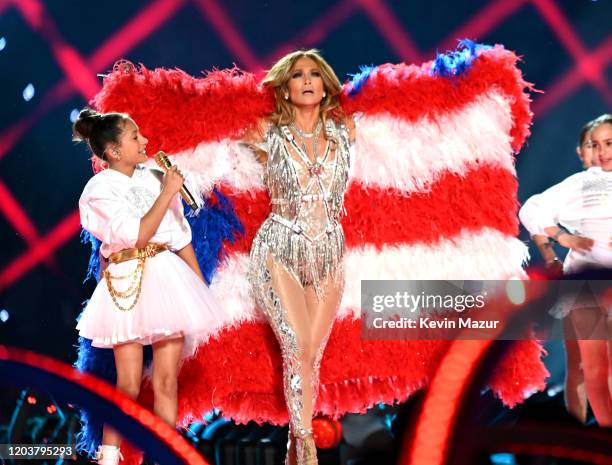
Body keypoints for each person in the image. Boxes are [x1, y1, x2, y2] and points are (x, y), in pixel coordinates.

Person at [73, 109, 223, 465]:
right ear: (113, 151)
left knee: (166, 380)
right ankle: (109, 457)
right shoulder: (99, 189)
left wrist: (199, 288)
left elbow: (179, 237)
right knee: (127, 383)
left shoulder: (154, 176)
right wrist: (166, 191)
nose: (145, 142)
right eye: (135, 137)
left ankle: (166, 456)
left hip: (166, 276)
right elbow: (135, 235)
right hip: (127, 282)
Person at [242, 49, 354, 465]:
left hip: (329, 252)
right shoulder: (264, 133)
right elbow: (209, 133)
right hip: (280, 248)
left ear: (326, 86)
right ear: (285, 88)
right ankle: (306, 450)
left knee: (313, 354)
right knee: (298, 343)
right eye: (297, 75)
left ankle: (294, 449)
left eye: (314, 74)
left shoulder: (347, 134)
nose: (306, 80)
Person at [519, 114, 612, 426]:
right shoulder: (580, 185)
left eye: (609, 143)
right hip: (585, 284)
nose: (602, 152)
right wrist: (561, 236)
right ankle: (593, 440)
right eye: (594, 145)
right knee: (589, 367)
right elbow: (531, 209)